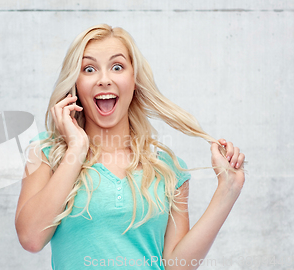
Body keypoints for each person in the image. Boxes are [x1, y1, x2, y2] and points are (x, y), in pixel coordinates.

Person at [14, 24, 246, 270]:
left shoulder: (167, 170)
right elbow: (31, 238)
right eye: (89, 69)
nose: (104, 79)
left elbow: (177, 266)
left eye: (117, 67)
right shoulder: (47, 154)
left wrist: (227, 191)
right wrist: (77, 149)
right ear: (76, 85)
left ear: (134, 81)